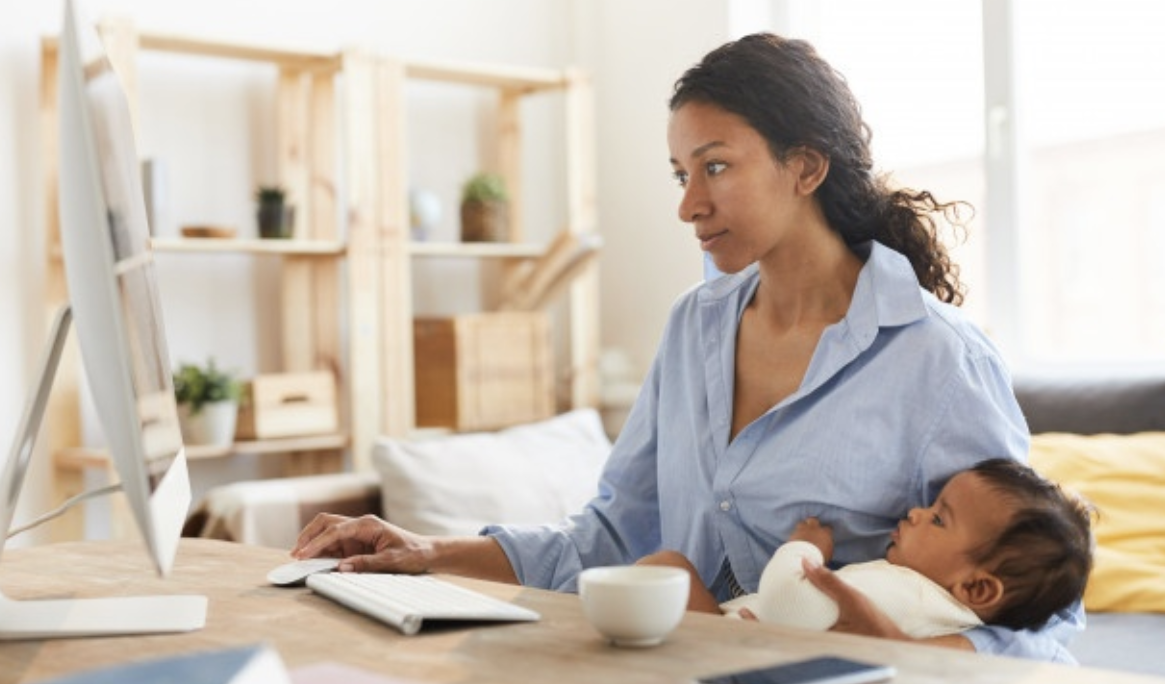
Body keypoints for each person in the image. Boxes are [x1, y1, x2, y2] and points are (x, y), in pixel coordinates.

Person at [291, 32, 1082, 661]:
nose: (690, 205)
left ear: (804, 166)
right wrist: (426, 552)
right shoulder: (694, 327)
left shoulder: (937, 361)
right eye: (679, 174)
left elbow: (1040, 613)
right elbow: (610, 537)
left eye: (715, 167)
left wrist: (902, 654)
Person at [639, 459, 1094, 640]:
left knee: (666, 568)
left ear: (976, 587)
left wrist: (803, 549)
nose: (916, 512)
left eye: (938, 518)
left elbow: (789, 603)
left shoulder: (909, 595)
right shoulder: (931, 610)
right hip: (748, 645)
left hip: (736, 648)